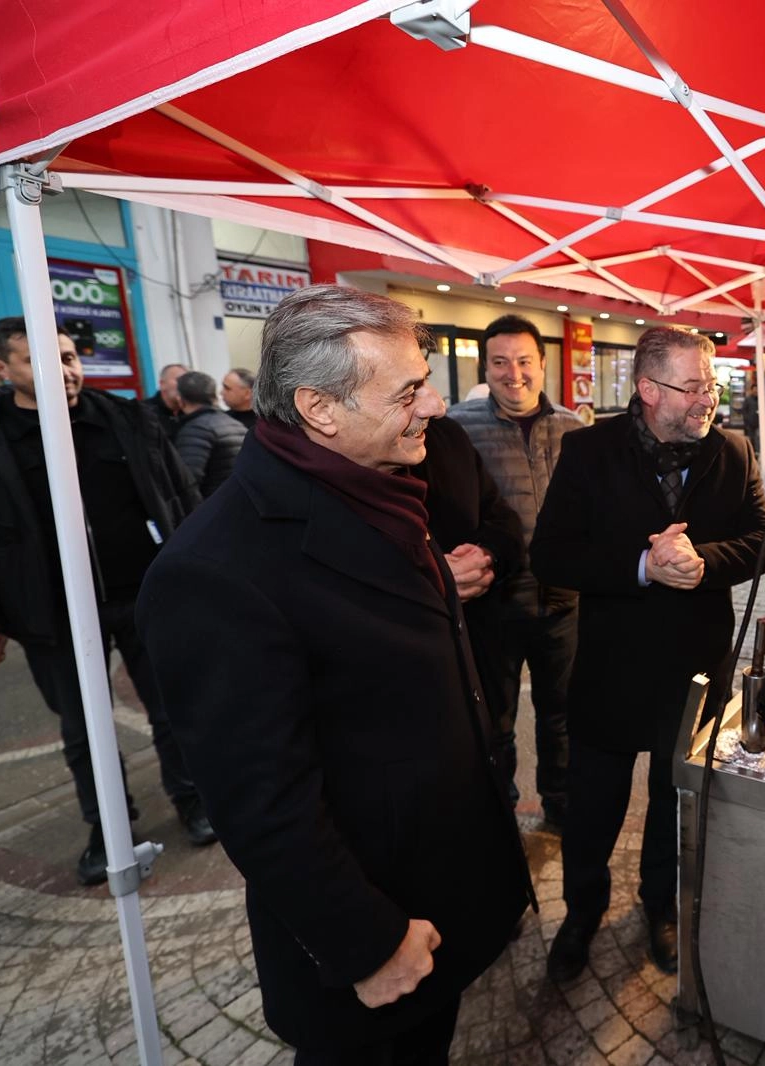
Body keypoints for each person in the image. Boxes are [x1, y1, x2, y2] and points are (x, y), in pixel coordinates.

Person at [135, 286, 533, 1063]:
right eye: (407, 392)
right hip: (375, 935)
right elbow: (260, 802)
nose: (434, 407)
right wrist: (366, 944)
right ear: (318, 409)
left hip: (436, 892)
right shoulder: (213, 572)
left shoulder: (381, 489)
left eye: (425, 383)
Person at [532, 326, 765, 982]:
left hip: (695, 668)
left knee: (674, 800)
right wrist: (643, 566)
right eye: (692, 387)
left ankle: (660, 907)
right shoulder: (588, 450)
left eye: (711, 385)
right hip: (610, 665)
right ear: (647, 389)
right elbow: (550, 554)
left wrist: (703, 562)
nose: (707, 400)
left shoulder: (733, 451)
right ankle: (582, 913)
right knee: (593, 805)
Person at [0, 317, 212, 886]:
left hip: (146, 594)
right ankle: (108, 827)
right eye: (40, 360)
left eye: (69, 356)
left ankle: (193, 800)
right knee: (83, 725)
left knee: (173, 706)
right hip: (51, 611)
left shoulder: (126, 419)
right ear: (1, 369)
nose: (64, 370)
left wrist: (203, 577)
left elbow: (181, 497)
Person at [450, 315, 581, 829]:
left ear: (543, 364)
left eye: (525, 361)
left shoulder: (573, 427)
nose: (514, 374)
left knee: (562, 716)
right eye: (500, 362)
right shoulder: (456, 429)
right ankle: (498, 813)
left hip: (564, 602)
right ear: (485, 368)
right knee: (494, 720)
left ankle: (561, 805)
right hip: (492, 605)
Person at [173, 370, 247, 497]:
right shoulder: (236, 424)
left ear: (180, 400)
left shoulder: (195, 429)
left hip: (214, 503)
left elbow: (187, 482)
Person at [142, 363, 187, 437]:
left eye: (186, 381)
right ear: (162, 384)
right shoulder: (143, 412)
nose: (184, 385)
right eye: (179, 380)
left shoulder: (193, 411)